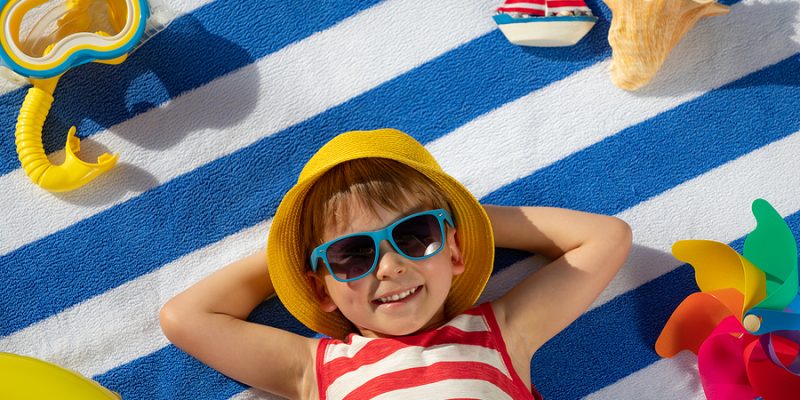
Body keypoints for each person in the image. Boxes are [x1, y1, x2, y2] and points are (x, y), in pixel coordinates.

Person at [159, 129, 632, 399]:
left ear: (454, 250)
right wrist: (291, 251)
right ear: (321, 289)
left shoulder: (502, 334)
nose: (388, 266)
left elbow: (606, 237)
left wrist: (462, 219)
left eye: (413, 235)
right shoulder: (316, 369)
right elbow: (185, 318)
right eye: (352, 255)